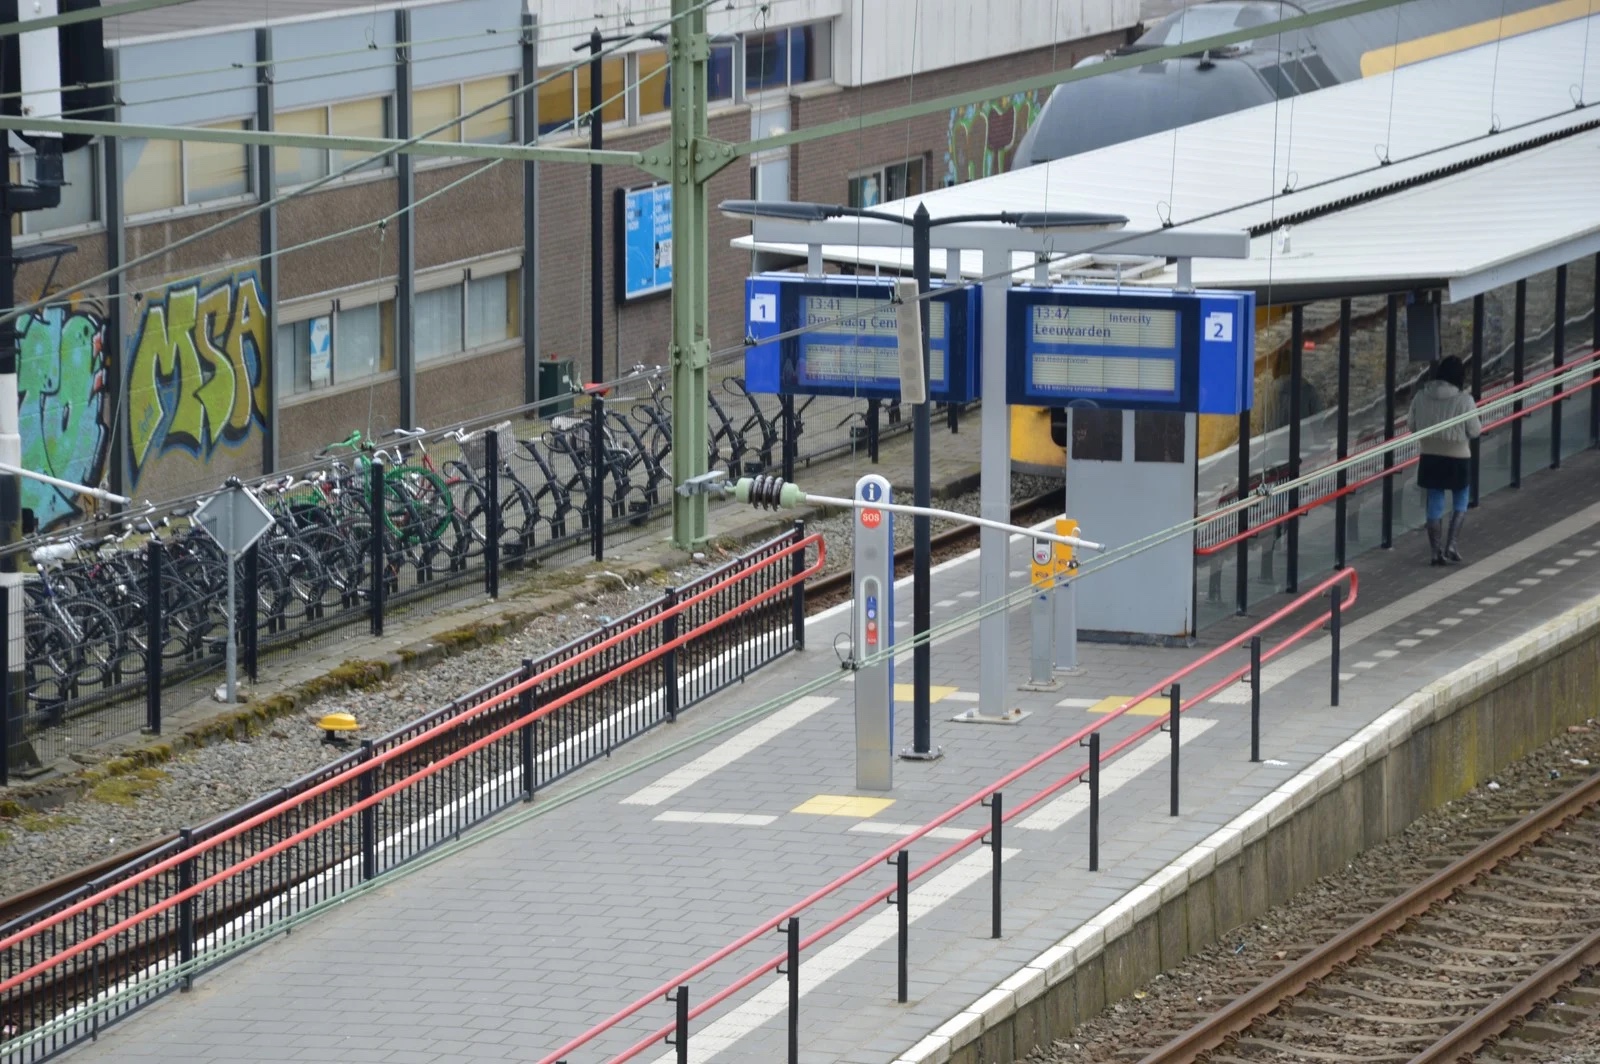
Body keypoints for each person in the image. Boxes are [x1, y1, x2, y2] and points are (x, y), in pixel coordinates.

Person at [1407, 356, 1481, 566]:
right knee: (1461, 497)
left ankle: (1435, 551)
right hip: (1457, 456)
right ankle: (1452, 544)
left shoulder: (1421, 397)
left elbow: (1411, 425)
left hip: (1430, 456)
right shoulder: (1465, 400)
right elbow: (1475, 430)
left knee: (1435, 500)